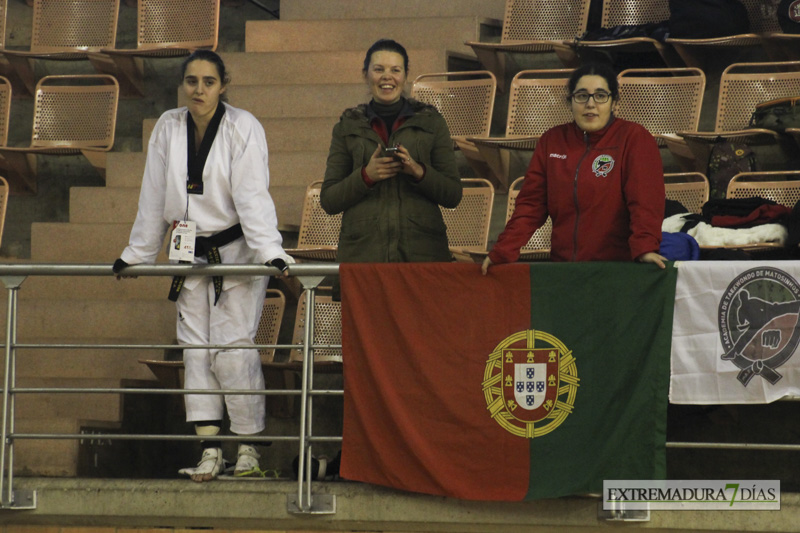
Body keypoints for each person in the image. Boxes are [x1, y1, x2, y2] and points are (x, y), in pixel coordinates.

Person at [112, 50, 294, 482]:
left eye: (208, 81)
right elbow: (154, 196)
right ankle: (210, 449)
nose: (199, 89)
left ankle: (249, 449)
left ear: (222, 85)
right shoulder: (167, 128)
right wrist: (137, 252)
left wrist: (271, 249)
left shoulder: (242, 126)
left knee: (231, 351)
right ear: (183, 85)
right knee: (195, 351)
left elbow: (253, 194)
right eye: (191, 81)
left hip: (235, 252)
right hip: (187, 251)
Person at [482, 62, 667, 275]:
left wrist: (645, 248)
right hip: (564, 269)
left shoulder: (634, 138)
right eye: (581, 96)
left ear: (614, 102)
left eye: (600, 95)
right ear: (570, 102)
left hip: (618, 269)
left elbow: (645, 202)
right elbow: (531, 205)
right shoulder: (552, 140)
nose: (590, 104)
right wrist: (503, 250)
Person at [320, 38, 462, 264]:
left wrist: (418, 171)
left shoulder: (432, 122)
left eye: (395, 70)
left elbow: (453, 195)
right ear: (366, 74)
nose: (387, 77)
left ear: (405, 76)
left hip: (422, 254)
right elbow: (329, 200)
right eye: (379, 69)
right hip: (364, 254)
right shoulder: (347, 127)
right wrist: (366, 176)